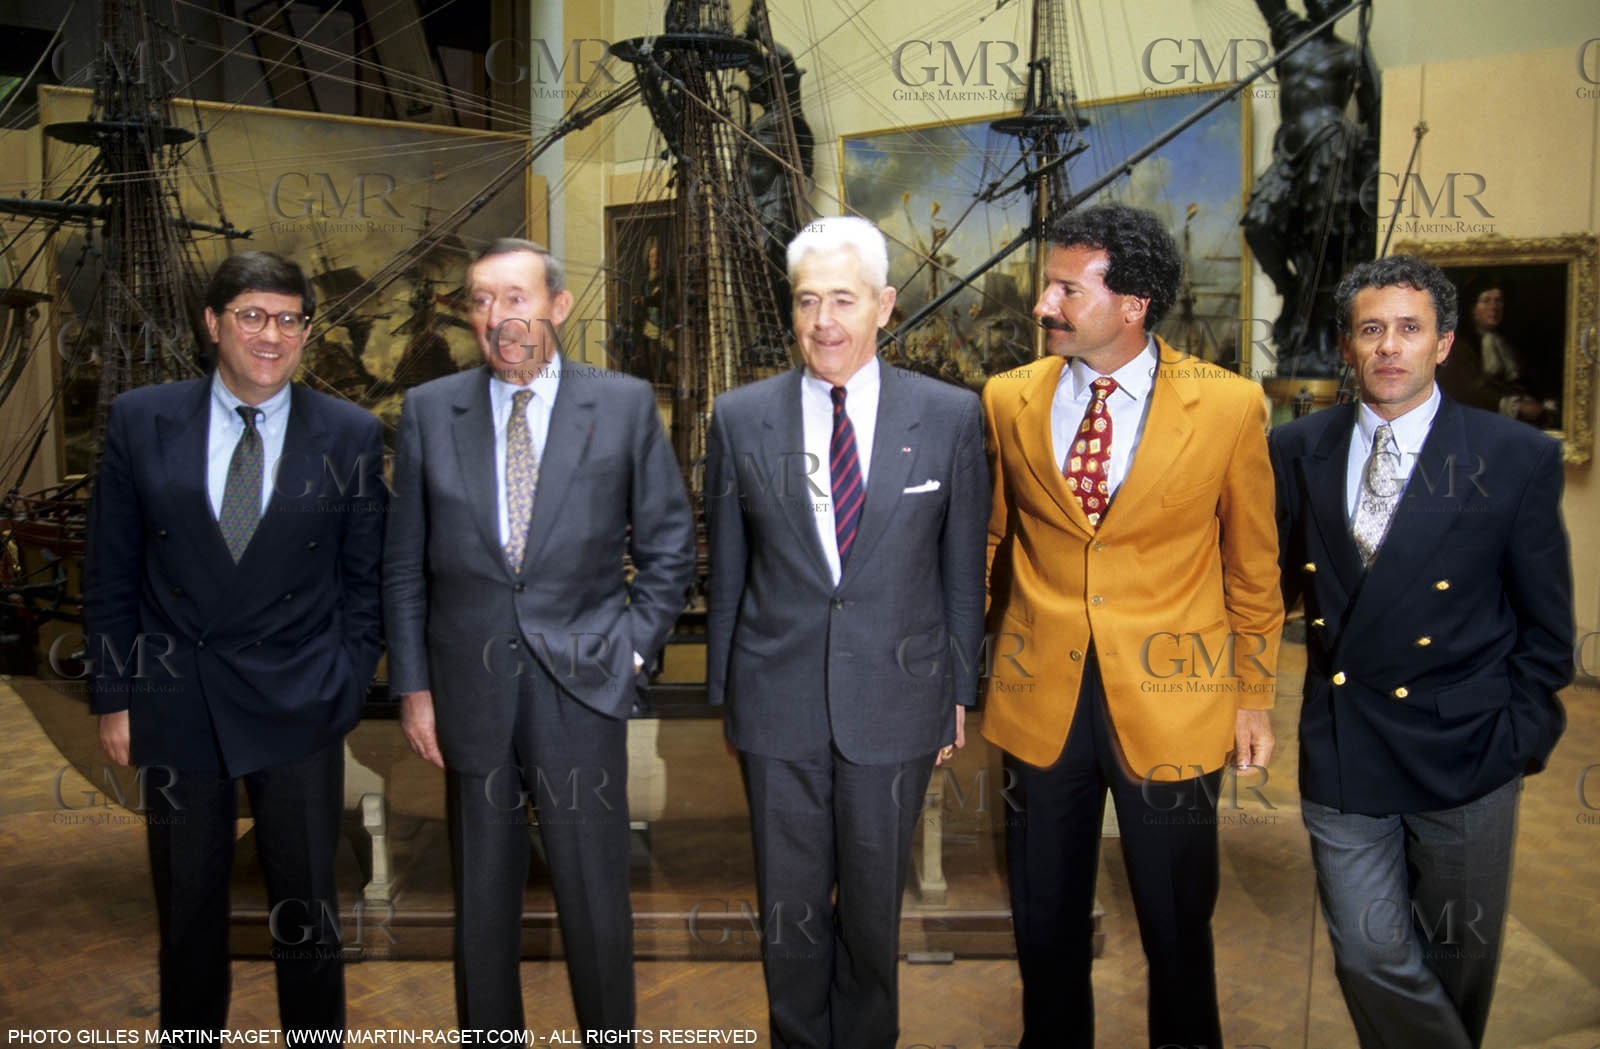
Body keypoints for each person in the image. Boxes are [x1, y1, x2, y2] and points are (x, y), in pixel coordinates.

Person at [981, 203, 1283, 1049]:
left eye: (1066, 288)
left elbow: (1253, 570)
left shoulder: (1229, 407)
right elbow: (995, 545)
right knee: (1044, 928)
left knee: (1178, 928)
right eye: (1049, 284)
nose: (1044, 302)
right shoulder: (1007, 399)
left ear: (1134, 303)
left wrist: (1252, 696)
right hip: (1040, 701)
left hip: (1176, 697)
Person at [384, 238, 696, 1034]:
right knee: (481, 901)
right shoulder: (429, 410)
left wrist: (628, 649)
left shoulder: (622, 404)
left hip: (583, 687)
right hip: (468, 693)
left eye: (517, 297)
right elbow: (404, 565)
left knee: (595, 896)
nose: (500, 317)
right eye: (483, 301)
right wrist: (413, 687)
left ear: (557, 305)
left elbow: (669, 546)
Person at [1268, 254, 1572, 1049]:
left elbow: (1546, 629)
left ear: (1442, 344)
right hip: (1345, 741)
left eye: (1410, 328)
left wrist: (1517, 738)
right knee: (1370, 956)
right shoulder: (1296, 447)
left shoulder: (1513, 456)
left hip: (1467, 751)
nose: (1390, 346)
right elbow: (1261, 589)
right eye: (1372, 329)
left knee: (1457, 965)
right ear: (1347, 344)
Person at [84, 250, 387, 1032]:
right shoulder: (140, 418)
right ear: (213, 323)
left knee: (307, 915)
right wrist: (115, 697)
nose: (272, 334)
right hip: (178, 703)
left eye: (290, 319)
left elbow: (367, 582)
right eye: (253, 315)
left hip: (299, 705)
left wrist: (344, 682)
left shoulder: (349, 433)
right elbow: (112, 572)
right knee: (187, 914)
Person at [705, 215, 988, 1048]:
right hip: (776, 704)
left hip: (896, 702)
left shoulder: (949, 416)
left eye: (843, 299)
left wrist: (957, 693)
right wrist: (728, 696)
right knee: (788, 913)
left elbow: (961, 571)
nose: (824, 321)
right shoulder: (738, 418)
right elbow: (728, 570)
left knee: (872, 909)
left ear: (884, 305)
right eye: (806, 301)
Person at [1437, 275, 1548, 424]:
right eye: (1486, 301)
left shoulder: (1506, 345)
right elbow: (1468, 392)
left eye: (1498, 300)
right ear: (1472, 308)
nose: (1494, 307)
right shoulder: (1458, 347)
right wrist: (1515, 406)